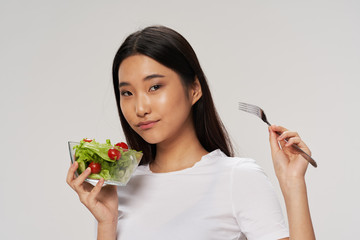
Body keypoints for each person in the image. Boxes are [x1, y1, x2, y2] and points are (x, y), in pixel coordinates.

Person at [66, 25, 315, 240]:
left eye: (154, 87)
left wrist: (293, 184)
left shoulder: (237, 178)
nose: (140, 108)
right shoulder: (121, 187)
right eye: (127, 93)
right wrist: (106, 224)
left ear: (194, 89)